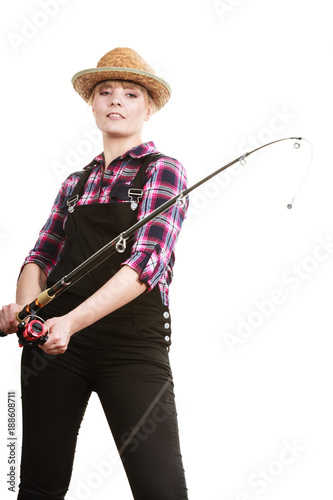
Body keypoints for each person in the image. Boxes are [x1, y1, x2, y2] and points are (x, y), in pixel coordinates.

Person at [0, 47, 188, 500]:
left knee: (160, 489)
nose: (116, 101)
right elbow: (40, 256)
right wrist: (27, 312)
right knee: (38, 486)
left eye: (130, 93)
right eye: (105, 92)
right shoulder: (75, 183)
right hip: (55, 346)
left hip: (131, 345)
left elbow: (146, 265)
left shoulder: (163, 171)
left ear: (148, 107)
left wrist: (72, 322)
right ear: (93, 104)